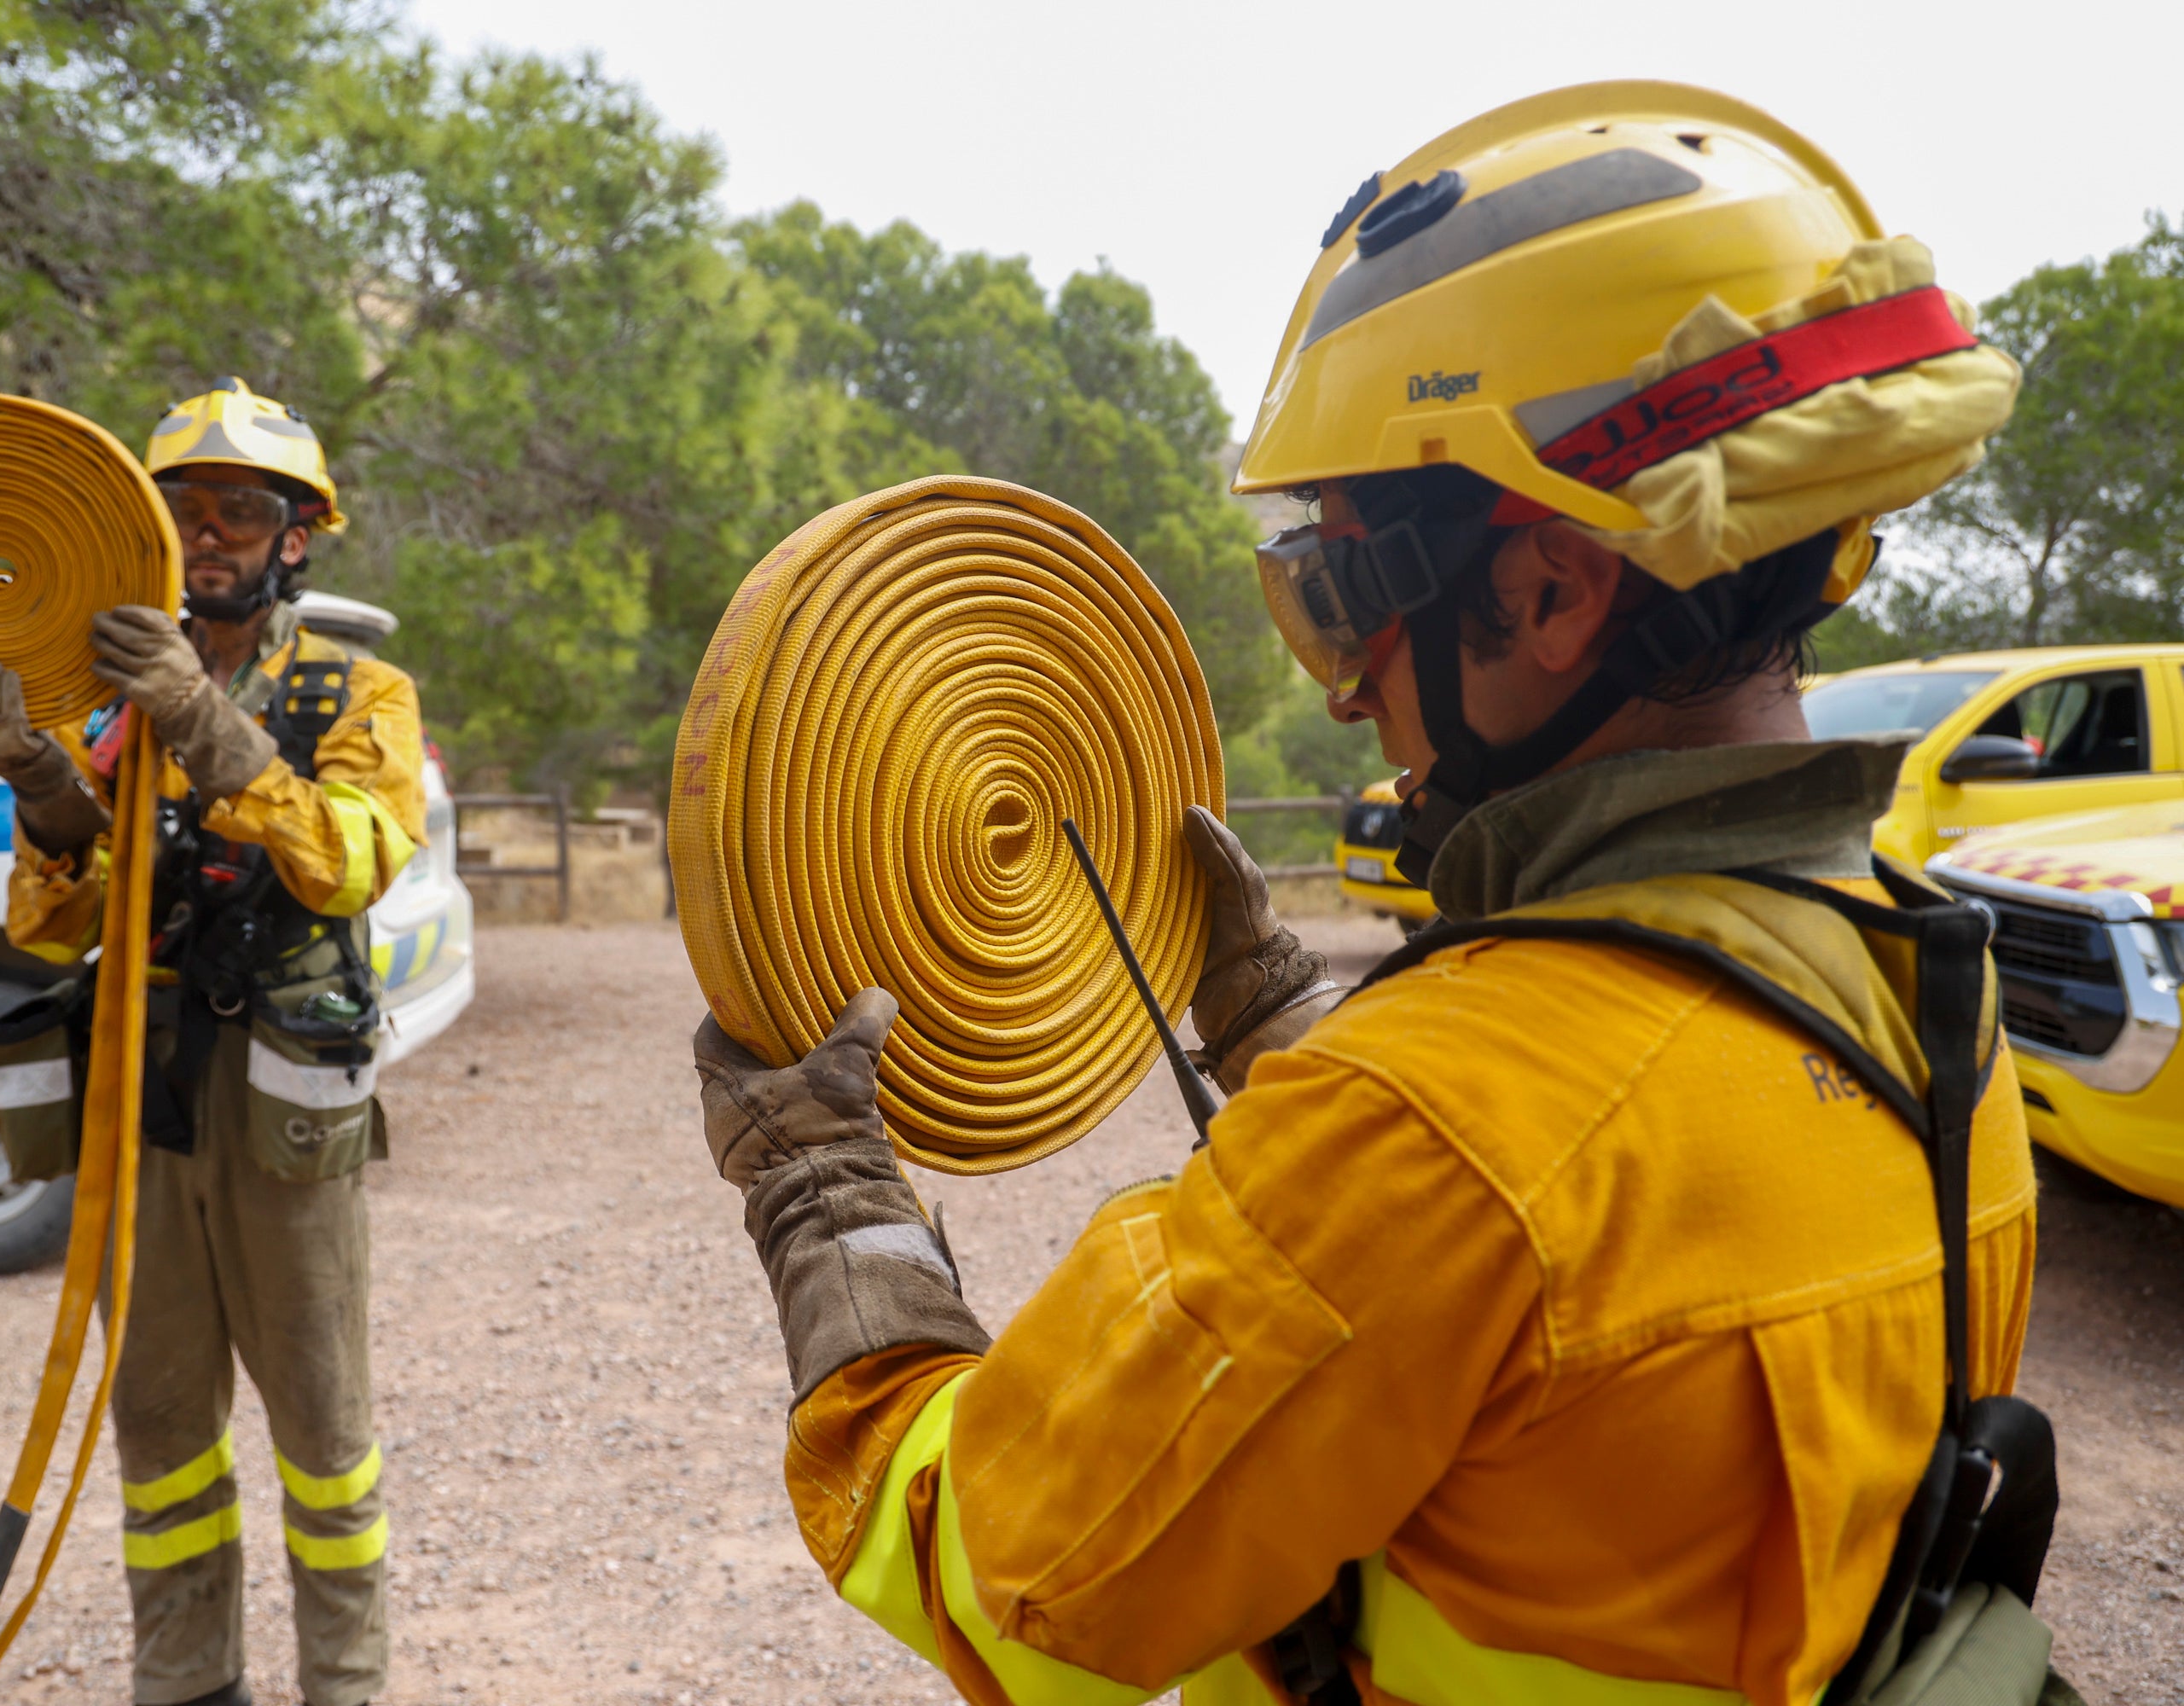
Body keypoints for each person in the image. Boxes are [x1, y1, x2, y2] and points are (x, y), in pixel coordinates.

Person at [689, 85, 2065, 1706]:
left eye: (1340, 596)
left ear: (1551, 588)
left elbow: (1012, 1582)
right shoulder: (1924, 995)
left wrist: (824, 1200)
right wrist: (1293, 1029)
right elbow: (1549, 1335)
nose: (1346, 695)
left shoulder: (1431, 1134)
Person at [0, 378, 425, 1706]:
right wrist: (40, 780)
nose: (208, 535)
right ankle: (189, 1686)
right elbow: (56, 922)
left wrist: (209, 728)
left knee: (324, 1437)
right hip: (140, 1112)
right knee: (158, 1432)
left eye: (240, 511)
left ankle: (347, 1688)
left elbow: (352, 863)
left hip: (281, 1115)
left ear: (295, 537)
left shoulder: (356, 695)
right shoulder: (107, 710)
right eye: (181, 509)